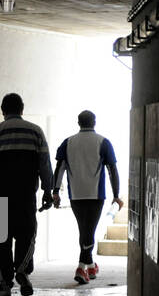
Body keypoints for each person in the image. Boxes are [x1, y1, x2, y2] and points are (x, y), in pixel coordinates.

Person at [0, 93, 53, 296]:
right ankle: (23, 271)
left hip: (1, 195)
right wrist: (47, 190)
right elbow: (45, 163)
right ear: (22, 110)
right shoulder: (36, 132)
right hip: (26, 195)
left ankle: (4, 285)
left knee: (1, 240)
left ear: (3, 111)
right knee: (27, 236)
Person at [51, 110, 123, 284]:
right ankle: (81, 268)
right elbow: (112, 170)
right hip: (96, 195)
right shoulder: (103, 142)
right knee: (88, 231)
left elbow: (59, 169)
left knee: (85, 230)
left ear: (78, 123)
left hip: (75, 195)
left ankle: (90, 265)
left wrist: (55, 192)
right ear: (94, 122)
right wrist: (116, 195)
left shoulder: (67, 142)